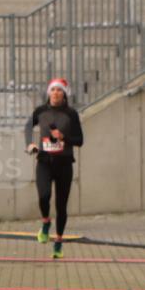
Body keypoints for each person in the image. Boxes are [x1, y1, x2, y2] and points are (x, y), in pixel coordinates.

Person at [24, 78, 83, 259]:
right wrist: (30, 144)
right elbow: (28, 126)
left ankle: (58, 242)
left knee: (61, 205)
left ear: (64, 94)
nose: (56, 93)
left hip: (64, 164)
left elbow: (80, 140)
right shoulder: (41, 111)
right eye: (53, 90)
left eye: (59, 90)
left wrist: (63, 137)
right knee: (44, 196)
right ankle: (45, 222)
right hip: (44, 162)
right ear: (48, 93)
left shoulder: (71, 114)